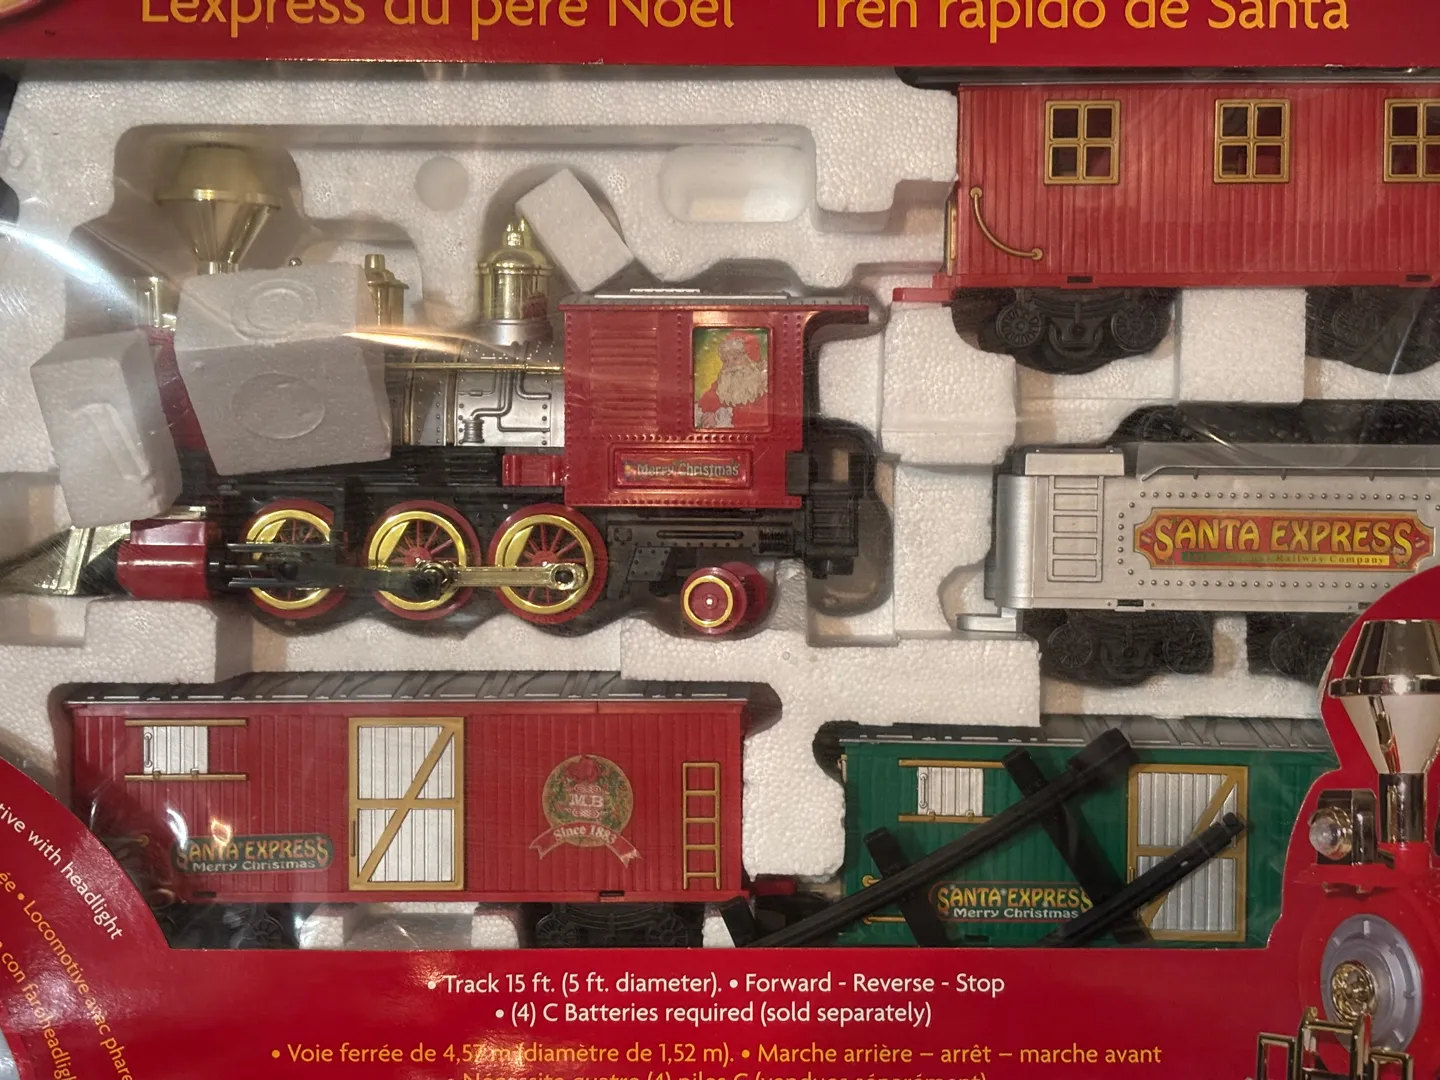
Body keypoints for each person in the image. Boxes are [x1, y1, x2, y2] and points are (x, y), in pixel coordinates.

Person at [695, 331, 769, 430]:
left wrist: (717, 418)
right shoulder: (724, 382)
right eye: (726, 361)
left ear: (750, 359)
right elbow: (706, 402)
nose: (730, 365)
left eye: (735, 358)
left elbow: (759, 421)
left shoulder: (761, 385)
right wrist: (706, 415)